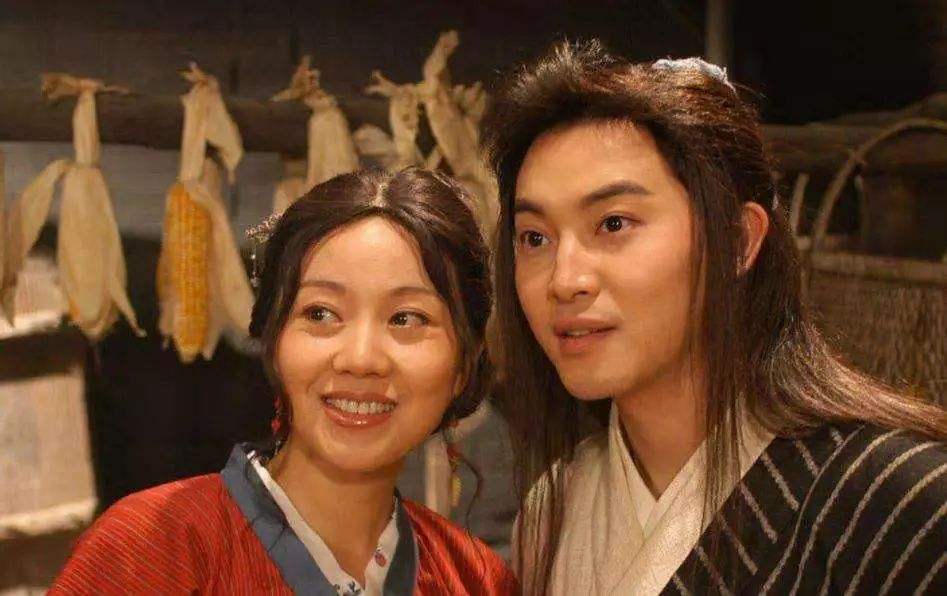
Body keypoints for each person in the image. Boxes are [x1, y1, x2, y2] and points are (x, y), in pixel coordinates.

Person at [480, 40, 947, 595]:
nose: (564, 279)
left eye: (613, 224)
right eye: (535, 238)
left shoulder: (901, 503)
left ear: (736, 241)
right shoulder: (553, 513)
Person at [51, 168, 517, 595]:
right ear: (274, 341)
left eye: (406, 318)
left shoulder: (476, 580)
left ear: (464, 365)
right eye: (321, 313)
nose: (360, 359)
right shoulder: (149, 548)